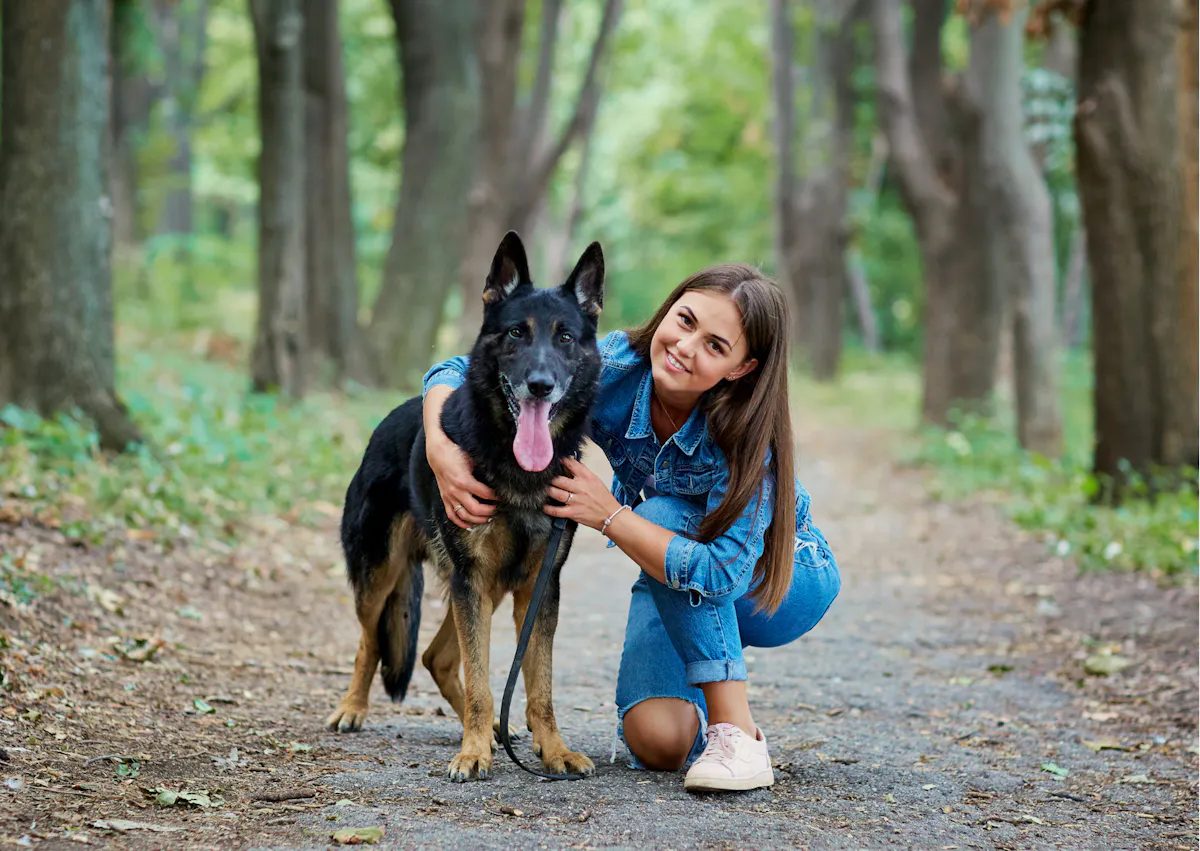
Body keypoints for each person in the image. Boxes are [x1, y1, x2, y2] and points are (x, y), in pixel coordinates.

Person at [421, 264, 840, 792]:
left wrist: (610, 516)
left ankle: (738, 735)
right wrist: (439, 448)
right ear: (667, 310)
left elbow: (719, 571)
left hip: (775, 581)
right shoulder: (615, 364)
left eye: (715, 346)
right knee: (658, 744)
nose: (686, 346)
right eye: (684, 321)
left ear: (741, 367)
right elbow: (458, 367)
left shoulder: (751, 436)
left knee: (660, 515)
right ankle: (702, 678)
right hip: (670, 572)